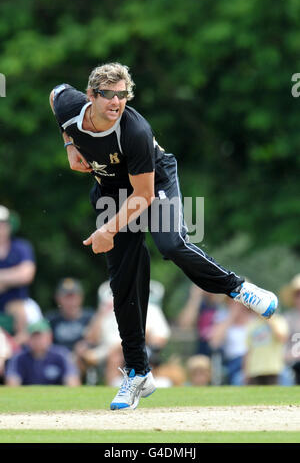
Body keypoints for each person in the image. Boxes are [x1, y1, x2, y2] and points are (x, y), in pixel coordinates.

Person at [49, 62, 278, 410]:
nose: (116, 102)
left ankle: (239, 288)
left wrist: (107, 229)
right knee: (124, 282)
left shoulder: (134, 130)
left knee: (171, 243)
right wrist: (69, 144)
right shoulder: (70, 107)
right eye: (108, 94)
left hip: (152, 183)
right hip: (112, 192)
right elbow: (55, 94)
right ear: (91, 96)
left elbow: (142, 196)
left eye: (123, 95)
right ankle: (139, 373)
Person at [5, 319, 80, 386]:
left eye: (40, 337)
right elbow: (12, 383)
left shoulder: (61, 354)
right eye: (34, 337)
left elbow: (72, 381)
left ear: (50, 337)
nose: (37, 341)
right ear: (28, 339)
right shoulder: (19, 357)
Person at [0, 205, 36, 345]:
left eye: (3, 224)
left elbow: (26, 275)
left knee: (22, 312)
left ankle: (14, 349)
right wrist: (11, 277)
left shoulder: (21, 247)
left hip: (18, 303)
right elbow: (20, 274)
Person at [209, 297, 250, 385]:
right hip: (234, 362)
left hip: (254, 360)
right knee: (238, 378)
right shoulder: (222, 316)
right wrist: (231, 316)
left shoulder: (254, 318)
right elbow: (214, 343)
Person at [46, 278, 94, 352]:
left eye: (73, 297)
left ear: (81, 297)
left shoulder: (91, 317)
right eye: (66, 297)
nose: (70, 302)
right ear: (58, 298)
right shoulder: (51, 319)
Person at [244, 312, 288, 385]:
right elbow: (248, 350)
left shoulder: (278, 320)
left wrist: (269, 319)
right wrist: (246, 371)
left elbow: (282, 338)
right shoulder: (252, 324)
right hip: (254, 370)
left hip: (272, 369)